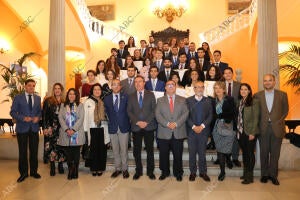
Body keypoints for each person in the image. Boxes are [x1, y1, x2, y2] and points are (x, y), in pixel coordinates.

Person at [254, 74, 289, 185]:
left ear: (274, 82)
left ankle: (273, 175)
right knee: (263, 152)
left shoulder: (282, 95)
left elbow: (285, 110)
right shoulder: (257, 95)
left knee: (275, 153)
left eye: (270, 80)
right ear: (263, 83)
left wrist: (278, 121)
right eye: (265, 81)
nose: (267, 82)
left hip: (277, 128)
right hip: (263, 128)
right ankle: (264, 174)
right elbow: (256, 112)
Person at [155, 80, 189, 182]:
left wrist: (176, 123)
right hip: (164, 132)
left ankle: (178, 173)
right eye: (168, 85)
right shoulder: (160, 100)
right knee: (163, 154)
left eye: (172, 85)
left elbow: (185, 113)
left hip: (178, 131)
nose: (170, 87)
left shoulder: (183, 100)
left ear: (175, 87)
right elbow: (157, 114)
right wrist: (167, 124)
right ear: (165, 87)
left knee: (178, 154)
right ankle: (164, 172)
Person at [10, 79, 42, 183]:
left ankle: (33, 172)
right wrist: (23, 118)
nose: (31, 87)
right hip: (22, 128)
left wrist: (38, 117)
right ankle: (23, 173)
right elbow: (13, 112)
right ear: (25, 86)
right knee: (23, 152)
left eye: (33, 86)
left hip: (34, 128)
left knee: (34, 151)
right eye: (29, 85)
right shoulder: (18, 98)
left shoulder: (38, 98)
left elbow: (40, 112)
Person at [127, 75, 157, 180]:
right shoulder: (130, 96)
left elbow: (154, 110)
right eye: (136, 82)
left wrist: (146, 122)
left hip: (149, 126)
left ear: (144, 83)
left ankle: (150, 172)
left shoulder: (151, 94)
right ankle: (138, 171)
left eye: (140, 81)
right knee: (137, 151)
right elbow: (129, 111)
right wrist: (137, 122)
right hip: (136, 127)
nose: (138, 84)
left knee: (150, 150)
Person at [104, 79, 131, 179]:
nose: (115, 86)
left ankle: (125, 169)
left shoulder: (126, 97)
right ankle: (117, 169)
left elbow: (129, 111)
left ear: (120, 87)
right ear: (111, 86)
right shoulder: (106, 99)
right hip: (112, 127)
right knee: (115, 150)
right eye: (113, 85)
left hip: (124, 126)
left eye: (117, 85)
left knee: (124, 150)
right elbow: (105, 113)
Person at [186, 81, 213, 182]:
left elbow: (210, 116)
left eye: (202, 87)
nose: (200, 89)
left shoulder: (208, 101)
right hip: (191, 131)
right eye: (197, 87)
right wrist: (193, 126)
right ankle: (193, 172)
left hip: (203, 131)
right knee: (192, 153)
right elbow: (186, 116)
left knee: (202, 153)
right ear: (194, 89)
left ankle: (203, 172)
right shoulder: (188, 101)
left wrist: (202, 126)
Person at [58, 88, 85, 180]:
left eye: (74, 94)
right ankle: (70, 169)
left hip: (76, 133)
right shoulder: (63, 105)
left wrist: (73, 129)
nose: (72, 96)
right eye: (70, 94)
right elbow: (60, 118)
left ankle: (76, 169)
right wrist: (66, 129)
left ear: (76, 96)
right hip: (65, 133)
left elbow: (81, 118)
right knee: (68, 153)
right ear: (67, 95)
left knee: (76, 153)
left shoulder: (80, 105)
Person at [212, 81, 235, 181]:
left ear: (224, 89)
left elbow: (232, 113)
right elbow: (211, 115)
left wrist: (220, 116)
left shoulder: (229, 99)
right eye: (216, 88)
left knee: (226, 148)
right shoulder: (213, 100)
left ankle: (228, 158)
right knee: (220, 150)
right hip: (216, 127)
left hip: (227, 126)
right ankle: (222, 171)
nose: (218, 90)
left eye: (220, 88)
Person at [83, 83, 109, 176]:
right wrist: (85, 130)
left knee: (102, 149)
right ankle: (94, 168)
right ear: (92, 91)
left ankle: (101, 168)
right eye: (95, 89)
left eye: (99, 89)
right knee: (93, 150)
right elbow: (85, 117)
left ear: (101, 91)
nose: (97, 91)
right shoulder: (88, 102)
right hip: (92, 128)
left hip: (102, 127)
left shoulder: (104, 101)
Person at [237, 83, 260, 184]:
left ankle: (249, 177)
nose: (243, 91)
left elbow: (256, 118)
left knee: (250, 154)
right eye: (241, 89)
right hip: (241, 132)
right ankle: (245, 173)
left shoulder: (254, 102)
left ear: (249, 91)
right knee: (245, 153)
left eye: (245, 89)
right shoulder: (240, 102)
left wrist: (253, 132)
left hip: (250, 132)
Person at [42, 83, 66, 176]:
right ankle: (52, 166)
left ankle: (60, 165)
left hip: (62, 128)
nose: (57, 90)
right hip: (51, 127)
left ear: (61, 90)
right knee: (51, 147)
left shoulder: (65, 101)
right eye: (55, 88)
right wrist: (45, 127)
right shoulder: (48, 100)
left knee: (61, 147)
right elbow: (44, 115)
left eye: (59, 88)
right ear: (53, 90)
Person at [223, 67, 241, 167]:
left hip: (236, 116)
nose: (227, 75)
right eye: (225, 73)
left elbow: (241, 99)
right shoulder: (220, 85)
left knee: (235, 137)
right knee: (225, 137)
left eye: (229, 73)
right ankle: (227, 158)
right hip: (224, 117)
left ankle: (235, 157)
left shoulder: (239, 85)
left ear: (232, 74)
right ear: (223, 75)